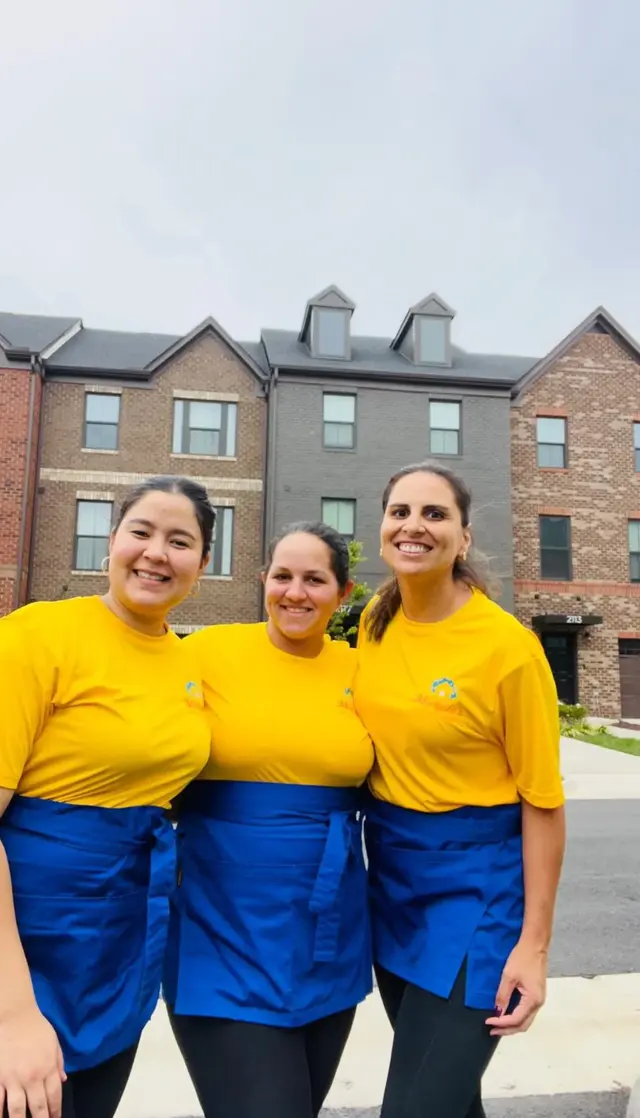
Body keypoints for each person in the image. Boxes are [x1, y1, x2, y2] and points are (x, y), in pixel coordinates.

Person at [354, 462, 566, 1118]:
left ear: (464, 539)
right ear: (384, 527)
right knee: (447, 1100)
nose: (414, 526)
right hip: (391, 884)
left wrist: (533, 946)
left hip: (478, 898)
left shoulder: (508, 649)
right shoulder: (374, 622)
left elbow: (543, 803)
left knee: (417, 1106)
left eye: (435, 514)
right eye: (401, 512)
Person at [0, 476, 214, 1118]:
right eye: (141, 532)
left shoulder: (186, 663)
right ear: (111, 541)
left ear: (203, 565)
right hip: (26, 942)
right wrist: (13, 1011)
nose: (156, 553)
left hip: (121, 939)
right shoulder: (36, 635)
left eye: (181, 542)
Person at [164, 522, 374, 1118]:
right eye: (282, 576)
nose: (295, 592)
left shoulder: (361, 670)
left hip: (328, 924)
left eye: (315, 579)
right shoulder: (206, 653)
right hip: (221, 921)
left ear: (343, 592)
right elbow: (144, 743)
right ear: (263, 581)